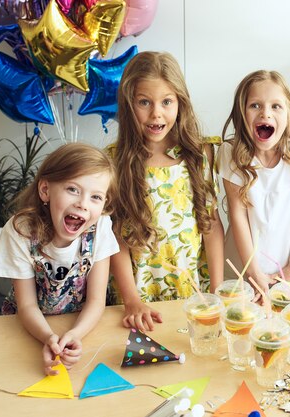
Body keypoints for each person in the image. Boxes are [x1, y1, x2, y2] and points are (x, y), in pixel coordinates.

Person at [109, 51, 224, 331]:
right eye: (144, 102)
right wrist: (132, 300)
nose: (156, 113)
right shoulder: (114, 161)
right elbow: (114, 239)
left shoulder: (200, 154)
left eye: (166, 102)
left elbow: (210, 226)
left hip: (193, 293)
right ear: (128, 104)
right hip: (138, 297)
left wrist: (218, 293)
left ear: (180, 103)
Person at [0, 143, 119, 376]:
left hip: (82, 322)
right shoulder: (20, 232)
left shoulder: (100, 229)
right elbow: (27, 305)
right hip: (31, 325)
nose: (83, 203)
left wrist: (75, 335)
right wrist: (48, 338)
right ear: (45, 190)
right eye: (73, 189)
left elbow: (97, 301)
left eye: (96, 197)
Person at [218, 70, 290, 296]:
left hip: (283, 270)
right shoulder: (230, 153)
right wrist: (253, 271)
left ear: (289, 114)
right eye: (255, 105)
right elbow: (237, 215)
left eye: (276, 106)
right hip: (241, 269)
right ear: (241, 112)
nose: (265, 113)